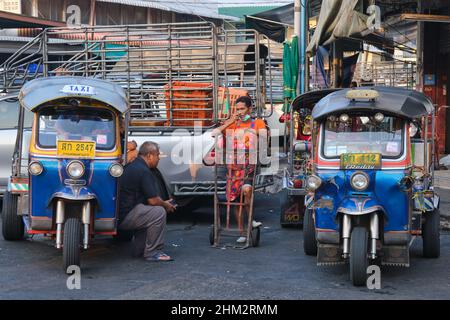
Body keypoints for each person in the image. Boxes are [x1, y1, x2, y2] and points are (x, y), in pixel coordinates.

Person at [212, 96, 264, 243]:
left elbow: (265, 137)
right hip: (233, 167)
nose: (240, 112)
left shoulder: (257, 123)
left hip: (249, 165)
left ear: (249, 109)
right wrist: (230, 122)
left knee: (246, 190)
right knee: (235, 199)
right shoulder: (232, 124)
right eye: (237, 109)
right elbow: (214, 133)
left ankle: (251, 220)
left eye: (242, 109)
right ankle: (242, 231)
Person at [118, 141, 177, 262]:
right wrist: (166, 204)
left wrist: (163, 202)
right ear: (149, 155)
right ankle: (153, 252)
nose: (159, 159)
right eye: (157, 155)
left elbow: (149, 199)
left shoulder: (133, 166)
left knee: (148, 212)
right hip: (126, 215)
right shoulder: (143, 171)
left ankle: (140, 250)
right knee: (158, 212)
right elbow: (153, 201)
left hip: (123, 213)